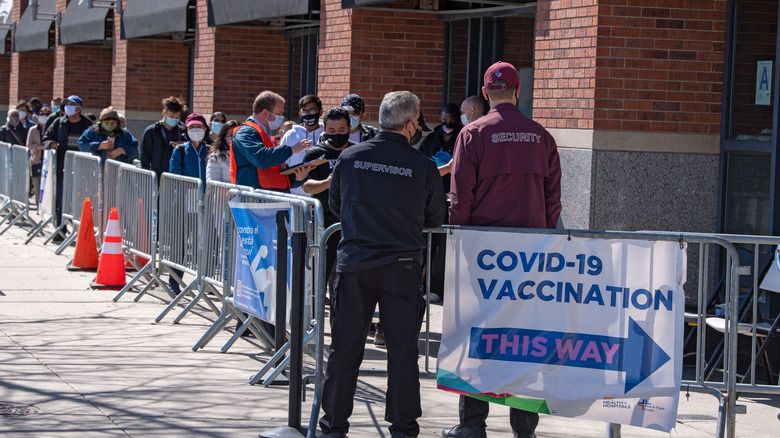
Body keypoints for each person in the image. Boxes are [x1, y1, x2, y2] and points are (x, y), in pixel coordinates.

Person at [443, 61, 562, 438]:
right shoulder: (541, 136)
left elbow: (460, 198)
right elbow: (553, 201)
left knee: (476, 337)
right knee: (525, 342)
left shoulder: (473, 134)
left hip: (482, 253)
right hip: (530, 256)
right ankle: (523, 428)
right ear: (518, 90)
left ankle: (472, 425)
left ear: (484, 93)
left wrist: (457, 239)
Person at [319, 91, 446, 438]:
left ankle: (333, 427)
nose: (420, 126)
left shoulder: (350, 158)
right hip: (402, 268)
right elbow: (436, 216)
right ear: (409, 125)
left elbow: (336, 203)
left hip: (354, 264)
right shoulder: (423, 166)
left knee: (344, 349)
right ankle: (403, 428)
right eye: (418, 120)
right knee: (403, 352)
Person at [301, 107, 354, 296]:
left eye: (341, 130)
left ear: (349, 128)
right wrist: (327, 183)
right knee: (323, 266)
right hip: (324, 218)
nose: (337, 135)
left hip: (351, 219)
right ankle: (315, 304)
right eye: (332, 131)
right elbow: (306, 186)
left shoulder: (358, 152)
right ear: (324, 129)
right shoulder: (315, 154)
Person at [417, 103, 463, 304]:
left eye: (452, 121)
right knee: (427, 243)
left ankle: (439, 287)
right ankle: (423, 285)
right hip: (430, 198)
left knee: (444, 248)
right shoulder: (431, 139)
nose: (448, 125)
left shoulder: (462, 138)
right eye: (444, 121)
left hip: (451, 199)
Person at [228, 90, 312, 192]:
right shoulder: (245, 132)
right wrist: (292, 149)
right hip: (254, 202)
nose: (282, 117)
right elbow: (261, 159)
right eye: (279, 113)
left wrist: (298, 177)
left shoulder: (268, 137)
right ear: (266, 113)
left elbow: (278, 172)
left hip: (270, 201)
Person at [43, 95, 93, 238]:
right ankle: (61, 229)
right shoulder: (59, 123)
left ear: (79, 107)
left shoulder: (88, 124)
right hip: (63, 168)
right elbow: (46, 138)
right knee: (61, 199)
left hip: (83, 169)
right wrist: (51, 144)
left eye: (71, 104)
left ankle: (81, 231)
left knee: (81, 201)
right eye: (66, 104)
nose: (67, 107)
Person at [282, 94, 324, 196]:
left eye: (312, 110)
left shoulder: (326, 134)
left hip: (321, 194)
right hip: (296, 194)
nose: (308, 114)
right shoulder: (291, 134)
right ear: (300, 113)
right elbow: (281, 163)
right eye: (305, 111)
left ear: (320, 112)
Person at [140, 96, 188, 183]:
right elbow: (144, 157)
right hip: (157, 177)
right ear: (164, 113)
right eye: (172, 116)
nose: (174, 119)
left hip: (179, 176)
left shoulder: (183, 130)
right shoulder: (152, 131)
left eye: (177, 117)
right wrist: (147, 178)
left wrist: (182, 145)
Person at [169, 113, 210, 190]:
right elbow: (174, 176)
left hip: (207, 196)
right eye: (192, 127)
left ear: (205, 128)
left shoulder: (210, 150)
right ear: (187, 130)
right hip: (186, 196)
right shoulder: (179, 150)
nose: (195, 130)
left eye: (199, 127)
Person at [26, 105, 52, 206]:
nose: (44, 117)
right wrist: (39, 147)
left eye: (46, 115)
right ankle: (38, 205)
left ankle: (47, 205)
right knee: (37, 185)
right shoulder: (33, 129)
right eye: (42, 114)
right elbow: (29, 144)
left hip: (48, 160)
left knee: (47, 185)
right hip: (37, 160)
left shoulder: (51, 128)